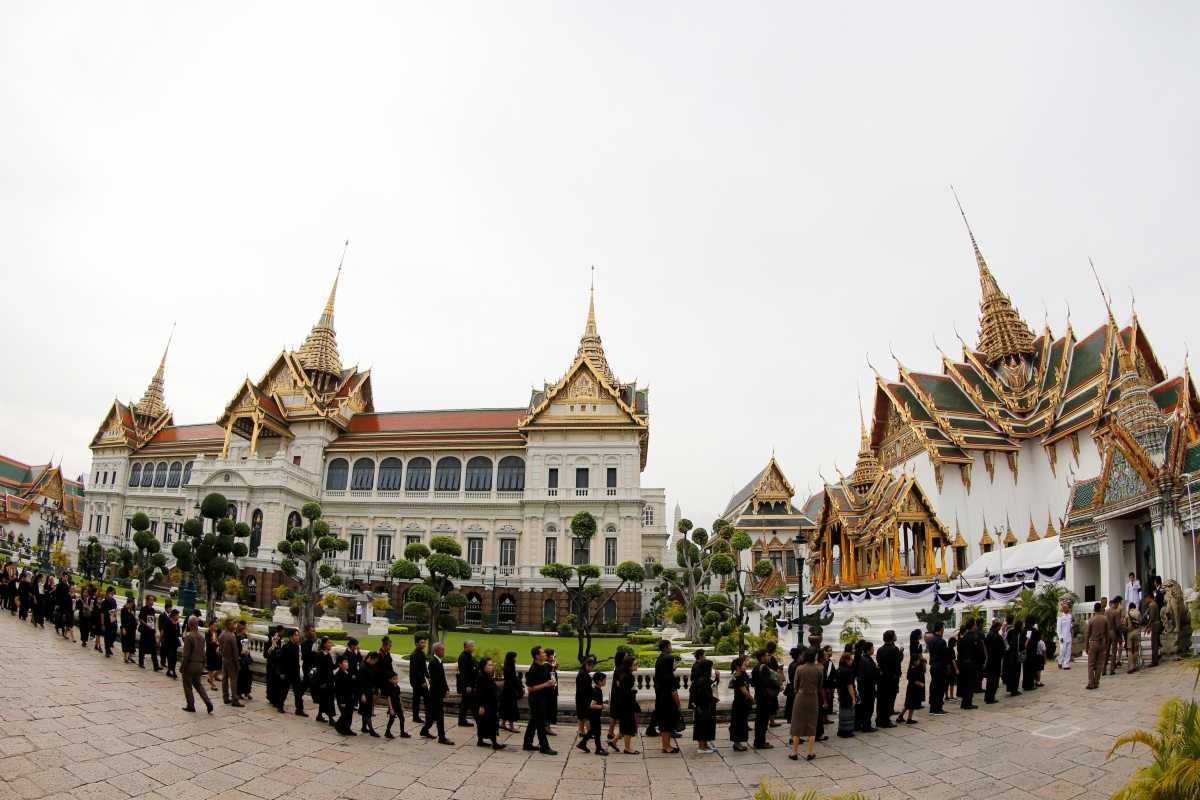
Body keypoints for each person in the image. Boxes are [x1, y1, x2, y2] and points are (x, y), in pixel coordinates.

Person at [788, 649, 826, 761]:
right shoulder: (819, 669)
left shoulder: (800, 669)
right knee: (812, 723)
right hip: (812, 696)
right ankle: (810, 752)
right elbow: (820, 686)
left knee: (797, 723)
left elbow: (795, 684)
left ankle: (795, 752)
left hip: (801, 695)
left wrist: (798, 692)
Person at [523, 646, 557, 755]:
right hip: (536, 699)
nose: (545, 654)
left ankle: (527, 743)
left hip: (541, 697)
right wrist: (546, 684)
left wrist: (553, 671)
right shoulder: (533, 670)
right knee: (541, 723)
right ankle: (544, 746)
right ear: (537, 656)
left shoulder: (541, 667)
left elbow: (547, 676)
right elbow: (530, 688)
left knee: (533, 721)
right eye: (542, 653)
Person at [179, 616, 214, 714]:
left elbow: (186, 654)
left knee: (187, 685)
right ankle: (208, 702)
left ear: (190, 624)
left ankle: (190, 704)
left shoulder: (189, 636)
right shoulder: (201, 637)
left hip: (190, 663)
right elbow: (203, 652)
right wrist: (203, 663)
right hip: (199, 664)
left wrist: (182, 666)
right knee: (198, 684)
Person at [653, 640, 682, 753]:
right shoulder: (669, 677)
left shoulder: (664, 673)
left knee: (668, 723)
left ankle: (667, 745)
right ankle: (666, 746)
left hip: (663, 698)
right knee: (666, 723)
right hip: (667, 700)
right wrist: (678, 704)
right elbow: (674, 692)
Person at [421, 642, 453, 745]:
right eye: (441, 650)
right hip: (435, 693)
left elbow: (442, 677)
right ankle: (442, 736)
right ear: (436, 651)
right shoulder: (433, 663)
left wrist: (447, 689)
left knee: (434, 713)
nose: (443, 651)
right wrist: (444, 691)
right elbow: (436, 680)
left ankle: (424, 730)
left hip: (438, 691)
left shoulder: (439, 661)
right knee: (439, 715)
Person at [689, 650, 718, 754]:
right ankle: (701, 747)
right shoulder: (703, 680)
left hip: (705, 706)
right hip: (703, 707)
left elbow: (713, 685)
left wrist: (717, 678)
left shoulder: (704, 679)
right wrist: (713, 699)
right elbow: (705, 694)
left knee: (707, 725)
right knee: (703, 725)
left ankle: (705, 745)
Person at [475, 656, 504, 750]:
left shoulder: (487, 676)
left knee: (484, 722)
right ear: (484, 666)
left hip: (490, 703)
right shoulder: (482, 678)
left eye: (491, 665)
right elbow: (480, 693)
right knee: (490, 723)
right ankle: (494, 743)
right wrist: (482, 706)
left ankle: (480, 740)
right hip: (487, 705)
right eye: (489, 665)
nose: (491, 667)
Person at [276, 628, 307, 716]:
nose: (297, 637)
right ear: (291, 636)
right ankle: (280, 705)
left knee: (298, 691)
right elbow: (281, 660)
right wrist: (282, 672)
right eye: (295, 635)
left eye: (297, 635)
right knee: (284, 689)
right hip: (287, 671)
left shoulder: (297, 646)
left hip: (295, 672)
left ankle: (299, 709)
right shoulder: (286, 647)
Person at [875, 631, 902, 728]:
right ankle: (886, 720)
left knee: (881, 699)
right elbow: (897, 663)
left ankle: (879, 719)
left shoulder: (880, 649)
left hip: (882, 676)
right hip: (891, 676)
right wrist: (898, 674)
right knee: (889, 698)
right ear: (892, 638)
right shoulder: (894, 649)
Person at [751, 649, 775, 749]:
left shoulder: (756, 667)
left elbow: (753, 682)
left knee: (759, 719)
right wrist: (777, 686)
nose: (768, 658)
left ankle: (758, 740)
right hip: (764, 697)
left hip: (758, 695)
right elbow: (766, 682)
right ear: (762, 658)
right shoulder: (764, 667)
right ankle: (760, 742)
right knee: (763, 720)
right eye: (767, 656)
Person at [957, 619, 983, 710]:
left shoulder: (962, 638)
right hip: (972, 662)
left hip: (964, 662)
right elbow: (980, 651)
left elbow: (960, 651)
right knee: (971, 683)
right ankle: (968, 702)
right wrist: (982, 662)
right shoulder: (975, 638)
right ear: (973, 626)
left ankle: (964, 702)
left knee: (966, 683)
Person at [728, 656, 753, 751]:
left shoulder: (739, 676)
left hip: (739, 702)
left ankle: (738, 742)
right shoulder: (738, 678)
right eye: (743, 665)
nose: (745, 666)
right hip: (740, 702)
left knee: (740, 722)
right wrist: (753, 699)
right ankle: (737, 743)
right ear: (738, 667)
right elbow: (745, 691)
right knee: (739, 723)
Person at [855, 641, 879, 733]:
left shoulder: (864, 659)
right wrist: (877, 673)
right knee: (868, 706)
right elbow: (869, 674)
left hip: (863, 686)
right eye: (872, 649)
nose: (873, 650)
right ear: (868, 650)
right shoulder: (867, 660)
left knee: (864, 706)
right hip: (868, 686)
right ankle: (866, 725)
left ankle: (863, 724)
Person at [583, 672, 608, 756]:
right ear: (600, 682)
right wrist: (603, 706)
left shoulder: (597, 690)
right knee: (597, 731)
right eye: (604, 680)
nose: (605, 681)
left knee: (594, 730)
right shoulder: (597, 691)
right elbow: (593, 705)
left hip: (594, 714)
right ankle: (598, 748)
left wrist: (603, 701)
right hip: (594, 714)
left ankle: (583, 743)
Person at [218, 619, 242, 707]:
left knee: (224, 678)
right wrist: (237, 664)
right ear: (228, 626)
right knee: (233, 679)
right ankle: (235, 699)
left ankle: (225, 697)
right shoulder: (231, 637)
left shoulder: (222, 635)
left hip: (224, 658)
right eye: (232, 625)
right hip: (231, 659)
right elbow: (235, 652)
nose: (234, 626)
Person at [927, 623, 949, 716]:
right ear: (941, 629)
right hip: (940, 665)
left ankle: (932, 707)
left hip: (933, 664)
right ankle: (938, 708)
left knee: (933, 685)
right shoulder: (942, 641)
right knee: (940, 686)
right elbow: (945, 655)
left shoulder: (931, 640)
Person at [1085, 602, 1109, 690]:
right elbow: (1107, 632)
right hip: (1102, 642)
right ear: (1101, 609)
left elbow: (1087, 634)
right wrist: (1106, 644)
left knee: (1091, 663)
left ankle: (1091, 682)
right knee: (1099, 663)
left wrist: (1086, 645)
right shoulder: (1105, 619)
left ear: (1094, 610)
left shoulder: (1091, 620)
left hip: (1093, 642)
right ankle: (1096, 682)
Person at [574, 656, 597, 744]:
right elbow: (588, 687)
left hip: (579, 696)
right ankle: (589, 731)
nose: (591, 669)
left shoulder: (581, 673)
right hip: (585, 697)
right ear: (587, 665)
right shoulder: (584, 675)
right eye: (591, 667)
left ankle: (582, 731)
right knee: (587, 716)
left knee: (581, 715)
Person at [314, 637, 337, 724]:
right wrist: (322, 682)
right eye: (329, 643)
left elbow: (331, 667)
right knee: (327, 699)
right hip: (324, 680)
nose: (330, 644)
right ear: (324, 644)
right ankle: (331, 717)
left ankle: (319, 715)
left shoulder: (328, 654)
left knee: (326, 699)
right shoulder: (321, 655)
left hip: (330, 680)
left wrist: (338, 663)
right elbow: (319, 669)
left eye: (331, 643)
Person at [456, 640, 479, 728]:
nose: (473, 648)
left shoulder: (468, 656)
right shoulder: (464, 657)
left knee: (465, 702)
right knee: (471, 702)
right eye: (472, 646)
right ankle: (478, 720)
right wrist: (467, 685)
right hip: (467, 683)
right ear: (466, 647)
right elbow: (464, 672)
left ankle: (462, 720)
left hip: (470, 682)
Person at [834, 652, 857, 737]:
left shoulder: (839, 670)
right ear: (846, 660)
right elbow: (850, 685)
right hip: (847, 693)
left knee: (842, 711)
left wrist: (839, 694)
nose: (852, 661)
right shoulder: (848, 671)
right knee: (848, 712)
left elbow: (837, 684)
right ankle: (846, 731)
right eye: (851, 660)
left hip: (841, 692)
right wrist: (853, 698)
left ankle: (841, 729)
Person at [382, 670, 411, 739]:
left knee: (402, 718)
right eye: (394, 679)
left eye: (397, 679)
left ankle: (402, 732)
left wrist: (402, 706)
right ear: (390, 680)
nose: (396, 680)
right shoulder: (390, 688)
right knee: (391, 720)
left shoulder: (397, 687)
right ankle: (387, 732)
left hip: (398, 706)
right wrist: (391, 709)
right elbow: (389, 698)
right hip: (393, 706)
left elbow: (399, 697)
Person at [334, 653, 357, 735]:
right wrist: (342, 701)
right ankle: (338, 725)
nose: (347, 664)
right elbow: (339, 690)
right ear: (340, 664)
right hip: (343, 697)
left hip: (349, 696)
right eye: (345, 662)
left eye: (347, 662)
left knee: (350, 713)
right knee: (346, 713)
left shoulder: (348, 672)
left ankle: (347, 729)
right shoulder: (338, 675)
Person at [358, 651, 380, 737]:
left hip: (369, 690)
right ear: (369, 658)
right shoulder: (363, 667)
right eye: (374, 660)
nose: (374, 662)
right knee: (367, 711)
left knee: (366, 710)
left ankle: (364, 727)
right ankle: (371, 730)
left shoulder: (370, 666)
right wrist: (362, 694)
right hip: (365, 691)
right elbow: (362, 682)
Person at [499, 651, 522, 732]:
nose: (516, 658)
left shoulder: (508, 667)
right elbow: (513, 681)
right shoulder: (509, 669)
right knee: (511, 708)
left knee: (506, 707)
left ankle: (503, 723)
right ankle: (511, 726)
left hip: (507, 690)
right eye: (515, 657)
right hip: (510, 691)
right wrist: (519, 687)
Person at [983, 620, 1005, 704]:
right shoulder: (998, 637)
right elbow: (1001, 649)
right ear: (998, 626)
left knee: (990, 679)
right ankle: (991, 697)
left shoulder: (989, 635)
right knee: (994, 679)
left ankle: (987, 696)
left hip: (990, 658)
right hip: (996, 659)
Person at [409, 635, 429, 723]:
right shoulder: (414, 655)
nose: (423, 644)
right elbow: (416, 670)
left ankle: (428, 715)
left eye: (424, 642)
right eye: (421, 642)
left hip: (421, 678)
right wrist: (422, 681)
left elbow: (424, 667)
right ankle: (415, 716)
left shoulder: (422, 653)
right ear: (416, 643)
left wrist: (428, 677)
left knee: (426, 697)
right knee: (417, 698)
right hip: (416, 680)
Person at [136, 595, 160, 670]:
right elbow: (140, 619)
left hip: (151, 632)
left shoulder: (152, 610)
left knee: (153, 648)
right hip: (145, 631)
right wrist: (146, 625)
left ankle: (156, 665)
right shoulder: (143, 609)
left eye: (153, 600)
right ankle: (141, 662)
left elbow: (153, 620)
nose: (152, 602)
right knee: (142, 647)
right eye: (151, 600)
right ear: (147, 601)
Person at [901, 653, 925, 724]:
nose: (919, 662)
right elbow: (915, 681)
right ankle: (909, 718)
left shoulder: (910, 668)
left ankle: (901, 715)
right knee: (912, 704)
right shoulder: (914, 670)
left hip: (910, 687)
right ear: (915, 661)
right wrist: (921, 684)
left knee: (907, 703)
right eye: (918, 660)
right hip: (914, 689)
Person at [1002, 619, 1024, 697]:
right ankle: (1014, 689)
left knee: (1011, 672)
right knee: (1015, 673)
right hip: (1016, 655)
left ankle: (1011, 688)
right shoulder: (1019, 635)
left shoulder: (1011, 632)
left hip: (1011, 654)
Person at [159, 608, 182, 679]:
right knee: (170, 657)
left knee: (174, 658)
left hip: (174, 643)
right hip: (168, 643)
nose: (178, 617)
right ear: (173, 616)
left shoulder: (177, 624)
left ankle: (169, 670)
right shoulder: (168, 623)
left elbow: (177, 633)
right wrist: (159, 640)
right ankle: (173, 671)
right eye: (177, 615)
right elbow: (163, 631)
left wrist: (181, 635)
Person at [1105, 597, 1124, 674]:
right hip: (1113, 632)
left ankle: (1103, 669)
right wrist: (1125, 628)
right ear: (1116, 603)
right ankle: (1111, 669)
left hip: (1107, 632)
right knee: (1113, 652)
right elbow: (1118, 625)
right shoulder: (1116, 612)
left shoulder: (1106, 611)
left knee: (1106, 651)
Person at [543, 647, 559, 736]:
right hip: (549, 692)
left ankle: (547, 726)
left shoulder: (550, 666)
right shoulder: (546, 667)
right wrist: (554, 670)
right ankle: (547, 727)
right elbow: (549, 677)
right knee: (549, 709)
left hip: (552, 691)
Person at [1056, 602, 1075, 670]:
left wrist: (1072, 626)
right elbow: (1058, 628)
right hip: (1063, 637)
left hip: (1069, 636)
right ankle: (1060, 662)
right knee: (1062, 651)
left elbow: (1069, 624)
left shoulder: (1069, 616)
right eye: (1066, 608)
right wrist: (1060, 637)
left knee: (1068, 651)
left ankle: (1066, 664)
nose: (1067, 609)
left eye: (1068, 608)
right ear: (1063, 609)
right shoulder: (1060, 617)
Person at [100, 587, 118, 658]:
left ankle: (109, 645)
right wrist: (102, 624)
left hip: (113, 620)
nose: (112, 596)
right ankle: (107, 650)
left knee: (113, 635)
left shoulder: (113, 601)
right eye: (111, 594)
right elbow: (102, 614)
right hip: (107, 622)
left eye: (113, 594)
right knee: (107, 636)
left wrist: (115, 612)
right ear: (107, 594)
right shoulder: (104, 603)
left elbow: (116, 608)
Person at [205, 620, 222, 691]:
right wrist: (216, 644)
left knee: (220, 668)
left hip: (217, 652)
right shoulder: (208, 634)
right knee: (211, 669)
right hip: (210, 653)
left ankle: (210, 679)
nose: (215, 627)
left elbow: (221, 641)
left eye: (216, 626)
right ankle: (212, 684)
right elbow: (209, 644)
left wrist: (219, 646)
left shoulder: (218, 632)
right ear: (210, 626)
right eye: (214, 626)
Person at [120, 597, 138, 663]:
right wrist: (123, 628)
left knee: (132, 642)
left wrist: (133, 615)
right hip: (126, 627)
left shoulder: (132, 610)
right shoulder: (123, 610)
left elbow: (134, 620)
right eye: (130, 605)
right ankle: (125, 656)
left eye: (132, 605)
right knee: (125, 642)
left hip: (132, 628)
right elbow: (122, 620)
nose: (130, 606)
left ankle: (130, 656)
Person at [1145, 592, 1161, 667]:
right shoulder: (1154, 604)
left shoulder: (1152, 605)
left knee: (1154, 643)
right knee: (1155, 642)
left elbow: (1152, 618)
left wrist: (1147, 627)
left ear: (1148, 598)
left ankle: (1154, 660)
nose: (1146, 602)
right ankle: (1155, 658)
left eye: (1146, 600)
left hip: (1155, 625)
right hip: (1155, 624)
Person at [1125, 608, 1143, 673]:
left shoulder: (1127, 614)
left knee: (1130, 650)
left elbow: (1124, 624)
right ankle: (1135, 665)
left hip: (1130, 632)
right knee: (1135, 649)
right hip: (1136, 631)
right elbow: (1140, 621)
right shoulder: (1138, 612)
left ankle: (1131, 667)